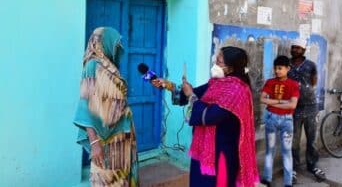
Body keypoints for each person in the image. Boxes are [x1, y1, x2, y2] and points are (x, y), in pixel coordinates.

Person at [152, 46, 260, 187]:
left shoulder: (237, 89)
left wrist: (191, 95)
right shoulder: (216, 83)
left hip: (221, 152)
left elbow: (210, 116)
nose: (215, 63)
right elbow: (195, 93)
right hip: (203, 149)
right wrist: (168, 85)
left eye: (219, 61)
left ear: (231, 67)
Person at [74, 27, 139, 187]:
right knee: (106, 180)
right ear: (104, 43)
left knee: (121, 180)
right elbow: (85, 107)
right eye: (115, 44)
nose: (118, 49)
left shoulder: (110, 67)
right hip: (105, 141)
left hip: (122, 137)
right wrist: (94, 143)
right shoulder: (92, 66)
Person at [288, 39, 326, 183]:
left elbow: (314, 82)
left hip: (310, 107)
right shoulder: (287, 64)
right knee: (294, 141)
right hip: (294, 107)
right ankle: (293, 168)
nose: (295, 50)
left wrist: (304, 90)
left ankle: (312, 165)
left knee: (312, 140)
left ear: (304, 50)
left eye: (298, 48)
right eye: (293, 47)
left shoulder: (311, 65)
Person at [260, 55, 300, 187]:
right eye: (276, 68)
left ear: (288, 68)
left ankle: (287, 182)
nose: (277, 71)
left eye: (280, 68)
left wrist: (273, 104)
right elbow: (262, 99)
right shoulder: (270, 82)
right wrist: (281, 101)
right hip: (271, 119)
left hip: (286, 121)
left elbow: (293, 105)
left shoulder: (293, 84)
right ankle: (267, 178)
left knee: (286, 152)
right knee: (269, 150)